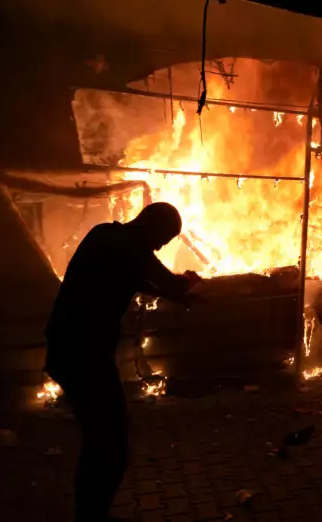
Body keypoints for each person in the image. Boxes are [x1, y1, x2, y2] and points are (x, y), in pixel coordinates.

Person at [45, 202, 200, 522]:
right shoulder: (133, 248)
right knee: (110, 443)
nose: (160, 246)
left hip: (71, 347)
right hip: (82, 354)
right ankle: (89, 515)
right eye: (164, 238)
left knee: (103, 436)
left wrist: (173, 290)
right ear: (152, 226)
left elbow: (138, 276)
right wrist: (185, 285)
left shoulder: (106, 236)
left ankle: (90, 512)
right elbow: (158, 277)